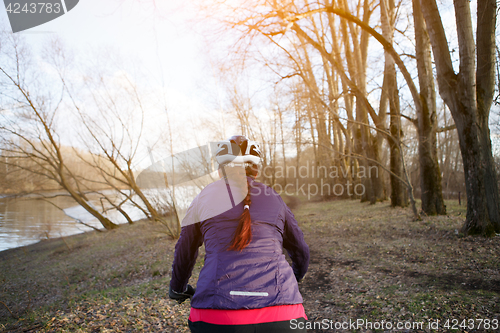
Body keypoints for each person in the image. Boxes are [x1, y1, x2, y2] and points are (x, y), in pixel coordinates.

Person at [169, 135, 309, 332]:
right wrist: (295, 277)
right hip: (283, 313)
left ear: (220, 170)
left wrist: (178, 288)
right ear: (256, 170)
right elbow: (301, 250)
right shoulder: (274, 198)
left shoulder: (203, 198)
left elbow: (185, 249)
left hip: (216, 315)